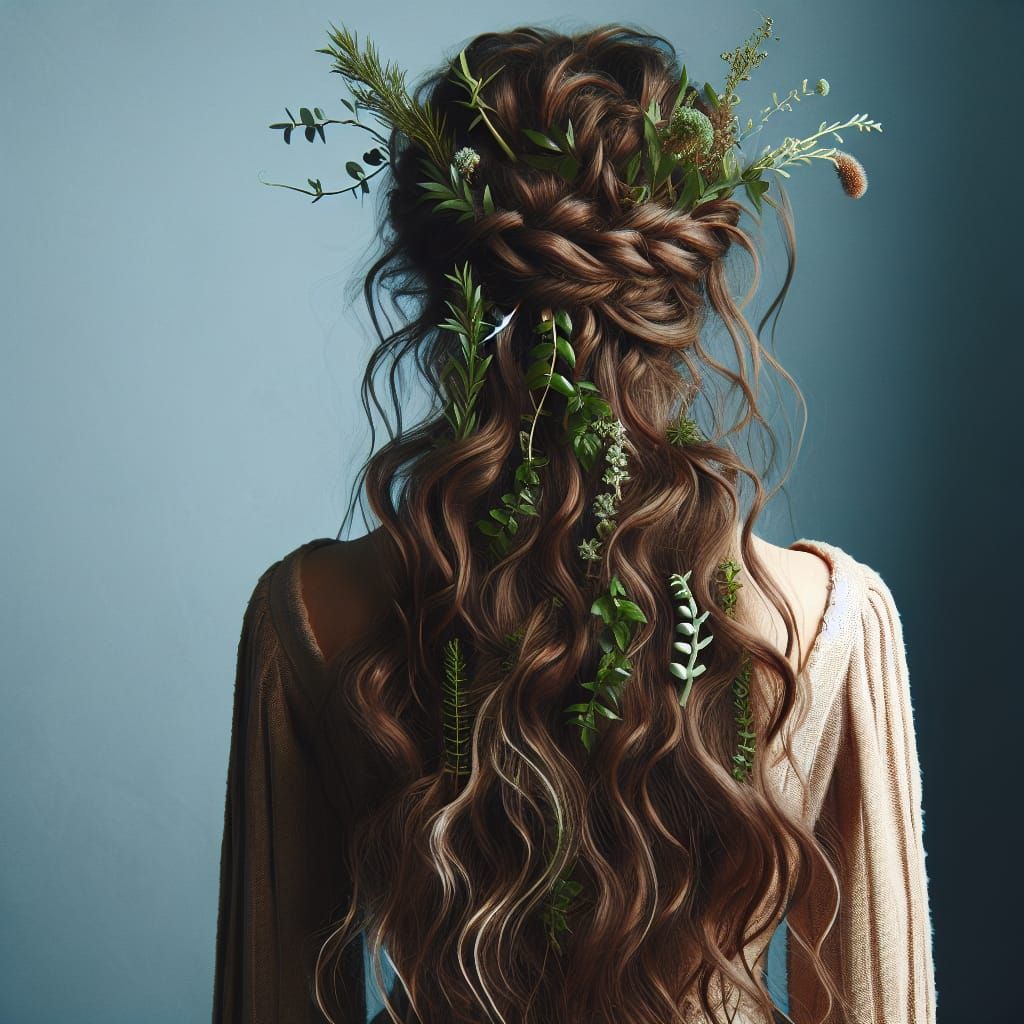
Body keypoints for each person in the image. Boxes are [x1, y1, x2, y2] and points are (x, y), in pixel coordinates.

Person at [211, 20, 936, 1024]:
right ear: (685, 271)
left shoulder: (310, 611)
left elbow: (268, 1001)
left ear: (433, 283)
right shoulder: (830, 621)